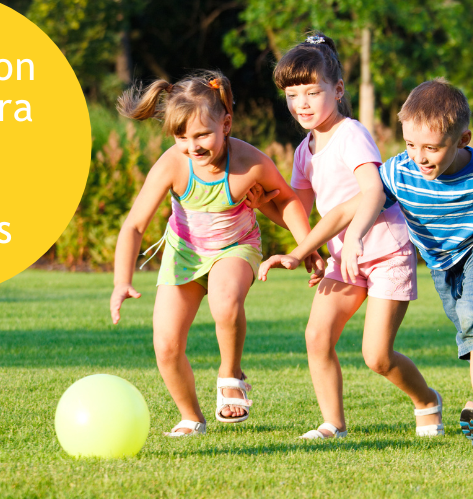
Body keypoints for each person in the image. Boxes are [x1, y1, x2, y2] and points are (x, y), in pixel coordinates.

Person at [262, 79, 473, 447]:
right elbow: (349, 208)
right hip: (443, 263)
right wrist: (301, 251)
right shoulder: (401, 171)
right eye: (410, 145)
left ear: (463, 140)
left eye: (432, 148)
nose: (420, 157)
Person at [109, 71, 320, 438]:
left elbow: (286, 200)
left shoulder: (249, 162)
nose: (193, 146)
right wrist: (121, 281)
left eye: (203, 134)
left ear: (226, 123)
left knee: (224, 302)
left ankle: (230, 373)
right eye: (182, 137)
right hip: (185, 255)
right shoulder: (174, 164)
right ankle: (191, 416)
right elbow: (134, 226)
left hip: (236, 248)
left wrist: (308, 247)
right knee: (166, 345)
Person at [262, 33, 442, 440]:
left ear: (338, 90)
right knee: (317, 334)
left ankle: (427, 400)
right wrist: (259, 204)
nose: (302, 104)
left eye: (312, 92)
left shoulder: (351, 134)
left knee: (376, 356)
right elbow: (299, 212)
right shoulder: (303, 151)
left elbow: (374, 191)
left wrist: (352, 237)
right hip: (345, 257)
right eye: (293, 95)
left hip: (385, 251)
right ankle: (333, 424)